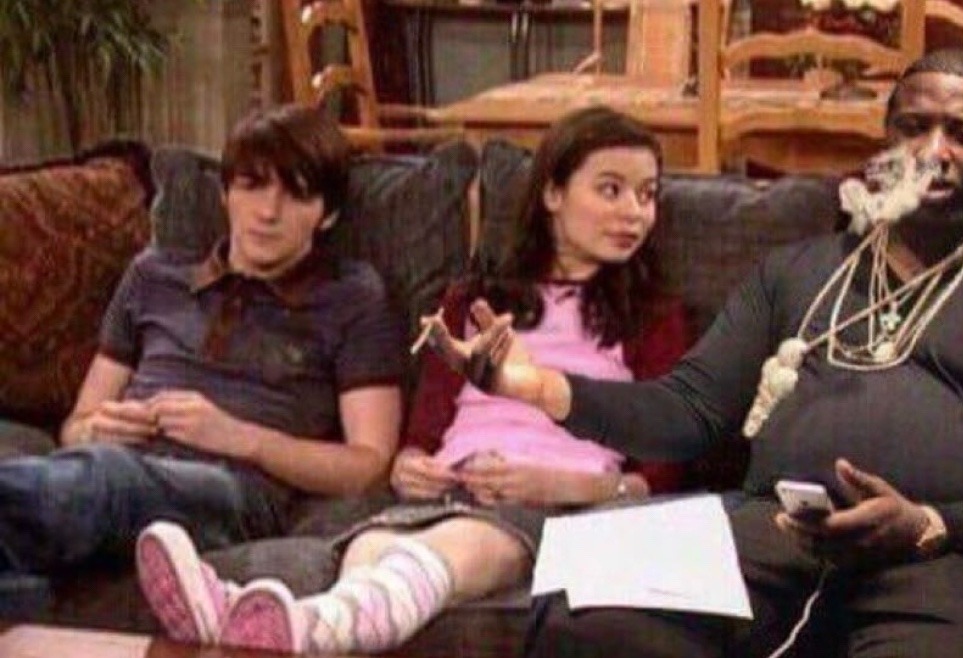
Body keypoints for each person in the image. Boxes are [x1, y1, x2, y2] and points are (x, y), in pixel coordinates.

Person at [425, 50, 963, 658]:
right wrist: (535, 387)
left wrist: (931, 524)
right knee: (587, 619)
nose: (934, 149)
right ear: (886, 137)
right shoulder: (794, 274)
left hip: (944, 561)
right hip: (774, 534)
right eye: (914, 126)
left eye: (962, 134)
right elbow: (686, 411)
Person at [135, 105, 690, 653]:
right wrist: (411, 465)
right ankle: (293, 624)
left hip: (554, 502)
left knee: (460, 547)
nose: (634, 213)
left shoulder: (650, 317)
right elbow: (422, 433)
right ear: (553, 193)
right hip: (450, 489)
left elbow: (664, 469)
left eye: (647, 195)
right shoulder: (472, 301)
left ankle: (273, 623)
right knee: (370, 550)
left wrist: (561, 486)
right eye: (611, 190)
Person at [0, 104, 404, 582]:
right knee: (28, 559)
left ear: (328, 215)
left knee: (109, 479)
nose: (268, 212)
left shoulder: (352, 296)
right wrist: (97, 430)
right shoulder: (153, 275)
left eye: (296, 195)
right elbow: (76, 425)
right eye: (252, 187)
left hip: (230, 491)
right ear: (225, 194)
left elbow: (369, 466)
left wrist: (242, 438)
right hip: (107, 468)